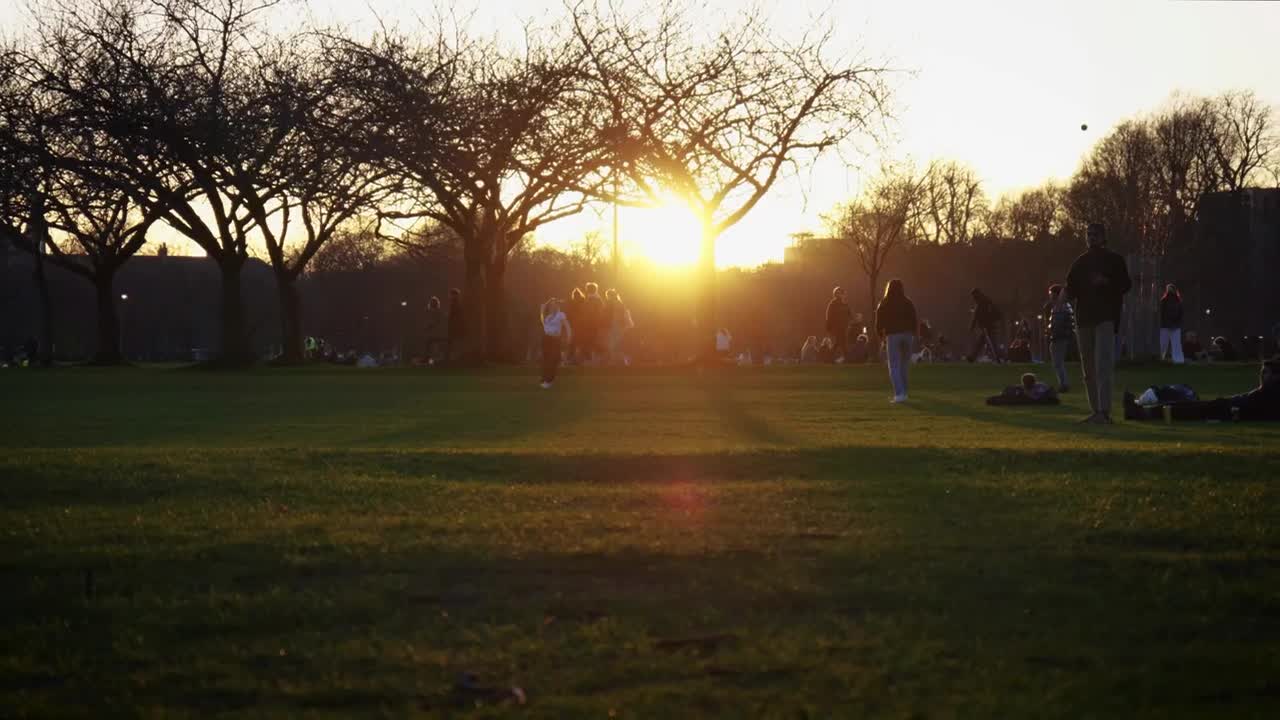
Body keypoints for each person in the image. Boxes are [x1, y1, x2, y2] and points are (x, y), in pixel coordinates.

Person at [1066, 222, 1132, 424]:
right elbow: (1071, 289)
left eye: (1095, 234)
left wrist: (1107, 283)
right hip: (1084, 319)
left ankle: (1104, 412)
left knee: (1103, 365)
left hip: (1105, 318)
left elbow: (1126, 284)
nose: (1091, 237)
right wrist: (1063, 296)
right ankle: (1096, 411)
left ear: (1103, 237)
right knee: (1088, 369)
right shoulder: (1080, 262)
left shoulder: (1114, 260)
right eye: (1088, 234)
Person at [1124, 358, 1280, 421]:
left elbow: (1256, 410)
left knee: (1187, 409)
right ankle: (1141, 410)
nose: (1261, 374)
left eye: (1266, 372)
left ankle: (1141, 412)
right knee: (1185, 405)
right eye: (1262, 370)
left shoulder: (1270, 395)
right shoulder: (1266, 393)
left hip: (1228, 409)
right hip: (1227, 405)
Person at [875, 279, 918, 404]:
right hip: (908, 335)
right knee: (904, 364)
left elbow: (879, 319)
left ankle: (899, 394)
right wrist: (914, 332)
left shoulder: (885, 302)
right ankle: (904, 392)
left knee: (894, 365)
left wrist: (880, 334)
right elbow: (914, 317)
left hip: (893, 335)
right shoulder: (908, 302)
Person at [1045, 284, 1074, 393]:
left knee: (1058, 362)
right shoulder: (1060, 306)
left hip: (1059, 337)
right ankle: (1063, 383)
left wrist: (1052, 331)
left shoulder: (1061, 307)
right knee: (1057, 362)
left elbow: (1059, 323)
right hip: (1059, 337)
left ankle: (1064, 384)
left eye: (1051, 294)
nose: (1050, 296)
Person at [539, 297, 572, 389]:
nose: (552, 307)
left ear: (558, 306)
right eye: (551, 305)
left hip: (555, 340)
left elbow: (566, 325)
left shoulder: (561, 315)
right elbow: (543, 323)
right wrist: (541, 311)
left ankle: (549, 380)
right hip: (546, 339)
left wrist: (569, 336)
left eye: (554, 305)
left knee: (553, 360)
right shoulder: (548, 316)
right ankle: (545, 379)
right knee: (545, 360)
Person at [967, 289, 1004, 363]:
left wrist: (972, 326)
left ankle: (998, 358)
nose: (973, 298)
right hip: (988, 324)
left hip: (987, 325)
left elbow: (976, 316)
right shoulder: (986, 301)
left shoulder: (981, 303)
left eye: (973, 296)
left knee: (991, 343)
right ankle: (973, 357)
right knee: (982, 342)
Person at [986, 372, 1061, 406]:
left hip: (1038, 398)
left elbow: (1034, 398)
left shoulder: (1039, 387)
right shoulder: (1023, 387)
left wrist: (1024, 392)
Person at [604, 288, 633, 365]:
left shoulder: (612, 304)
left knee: (614, 344)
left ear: (610, 296)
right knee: (616, 343)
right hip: (618, 326)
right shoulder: (619, 303)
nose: (607, 298)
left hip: (615, 326)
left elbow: (610, 316)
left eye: (608, 296)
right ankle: (620, 360)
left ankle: (618, 360)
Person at [1159, 283, 1185, 364]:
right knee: (1163, 344)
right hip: (1166, 325)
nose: (1170, 290)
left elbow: (1180, 313)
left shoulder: (1178, 301)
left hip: (1174, 326)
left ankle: (1178, 360)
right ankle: (1162, 358)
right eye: (1168, 289)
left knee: (1176, 343)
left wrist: (1176, 322)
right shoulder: (1164, 301)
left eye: (1171, 289)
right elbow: (1162, 313)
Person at [825, 286, 852, 361]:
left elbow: (849, 314)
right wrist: (829, 326)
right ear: (837, 294)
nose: (843, 295)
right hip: (837, 327)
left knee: (839, 342)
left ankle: (830, 357)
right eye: (841, 293)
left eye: (843, 293)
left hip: (843, 327)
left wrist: (850, 321)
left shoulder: (844, 304)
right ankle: (847, 358)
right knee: (841, 342)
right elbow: (829, 316)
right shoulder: (833, 304)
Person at [564, 288, 586, 364]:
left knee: (573, 342)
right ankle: (578, 358)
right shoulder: (583, 302)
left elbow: (568, 315)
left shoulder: (572, 303)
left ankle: (571, 358)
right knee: (580, 342)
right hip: (581, 326)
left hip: (574, 325)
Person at [424, 296, 446, 365]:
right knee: (433, 345)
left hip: (435, 333)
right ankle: (432, 359)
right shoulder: (438, 311)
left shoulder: (435, 312)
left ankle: (429, 359)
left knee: (430, 345)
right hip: (438, 332)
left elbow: (434, 322)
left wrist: (428, 327)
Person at [446, 288, 465, 364]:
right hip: (454, 326)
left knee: (454, 342)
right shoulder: (455, 304)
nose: (451, 296)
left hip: (455, 326)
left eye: (452, 295)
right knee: (454, 342)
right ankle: (454, 358)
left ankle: (454, 358)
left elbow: (455, 315)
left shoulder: (455, 304)